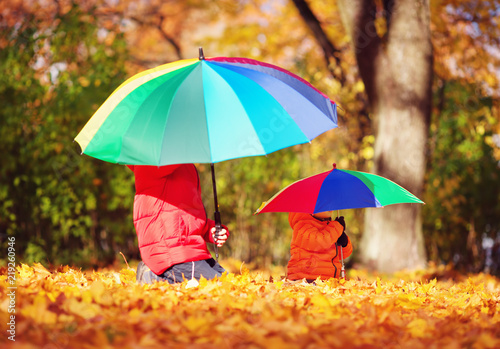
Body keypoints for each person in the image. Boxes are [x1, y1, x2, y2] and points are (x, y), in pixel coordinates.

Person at [128, 164, 229, 284]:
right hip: (173, 253)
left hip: (191, 251)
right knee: (222, 287)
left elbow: (186, 214)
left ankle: (159, 277)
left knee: (230, 282)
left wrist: (209, 230)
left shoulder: (186, 166)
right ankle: (156, 276)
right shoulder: (152, 161)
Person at [286, 211, 352, 282]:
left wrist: (344, 242)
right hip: (305, 280)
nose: (329, 208)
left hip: (327, 281)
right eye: (324, 205)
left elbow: (342, 254)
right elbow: (319, 243)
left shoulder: (330, 227)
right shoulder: (302, 226)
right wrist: (337, 227)